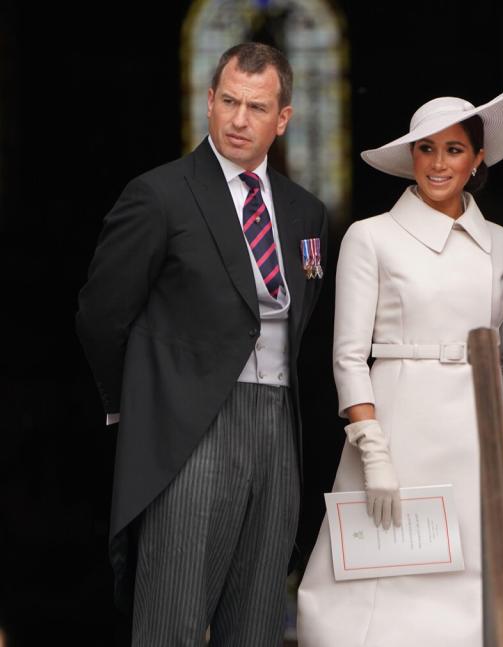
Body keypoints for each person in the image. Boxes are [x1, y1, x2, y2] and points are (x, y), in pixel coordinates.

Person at [76, 43, 328, 645]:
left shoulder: (305, 213)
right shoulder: (160, 195)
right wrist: (138, 403)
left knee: (261, 621)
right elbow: (101, 314)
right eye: (230, 103)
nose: (240, 120)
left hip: (277, 429)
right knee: (174, 620)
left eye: (257, 107)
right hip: (190, 427)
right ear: (209, 102)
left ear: (283, 118)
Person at [296, 92, 503, 646]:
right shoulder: (371, 236)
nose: (439, 163)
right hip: (396, 431)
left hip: (481, 435)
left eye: (454, 149)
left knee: (479, 584)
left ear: (477, 159)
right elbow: (347, 355)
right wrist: (373, 450)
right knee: (389, 586)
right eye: (426, 149)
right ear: (411, 156)